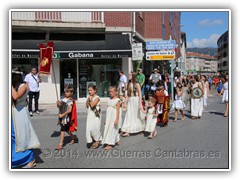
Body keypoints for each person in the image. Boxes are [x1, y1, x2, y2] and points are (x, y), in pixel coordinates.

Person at [12, 70, 40, 168]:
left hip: (21, 114)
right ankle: (15, 159)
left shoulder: (22, 86)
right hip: (13, 114)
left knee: (23, 137)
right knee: (13, 138)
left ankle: (30, 159)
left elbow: (15, 96)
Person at [121, 72, 145, 137]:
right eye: (128, 75)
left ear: (133, 76)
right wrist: (125, 102)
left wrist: (140, 103)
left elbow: (140, 94)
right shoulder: (129, 84)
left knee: (136, 115)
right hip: (131, 101)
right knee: (129, 115)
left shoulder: (137, 84)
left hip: (136, 100)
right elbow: (128, 95)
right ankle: (127, 129)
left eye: (130, 75)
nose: (129, 76)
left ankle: (140, 128)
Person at [102, 86, 121, 150]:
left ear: (115, 92)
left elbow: (118, 111)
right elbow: (107, 110)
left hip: (113, 117)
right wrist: (106, 120)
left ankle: (110, 143)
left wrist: (117, 119)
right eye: (109, 91)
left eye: (112, 91)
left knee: (112, 129)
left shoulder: (117, 100)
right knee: (108, 128)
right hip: (108, 117)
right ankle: (116, 140)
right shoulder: (109, 99)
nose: (110, 93)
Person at [86, 84, 102, 149]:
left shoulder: (97, 98)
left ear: (95, 90)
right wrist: (88, 100)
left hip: (95, 115)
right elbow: (87, 106)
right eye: (89, 90)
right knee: (89, 128)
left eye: (91, 90)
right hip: (90, 114)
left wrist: (90, 99)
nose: (89, 92)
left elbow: (92, 105)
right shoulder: (89, 97)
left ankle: (98, 140)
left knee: (95, 128)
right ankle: (93, 140)